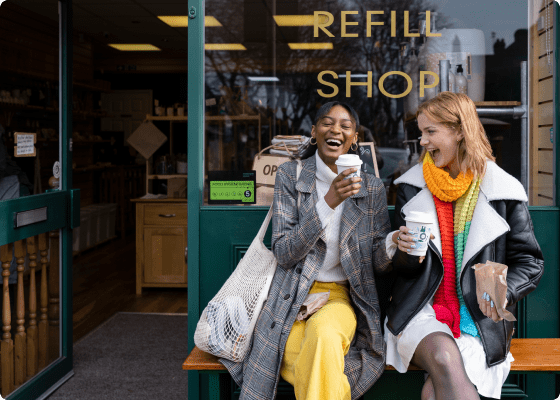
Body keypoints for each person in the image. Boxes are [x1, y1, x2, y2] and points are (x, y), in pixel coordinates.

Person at [221, 101, 392, 400]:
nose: (335, 129)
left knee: (323, 336)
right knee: (320, 358)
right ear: (314, 132)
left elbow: (376, 260)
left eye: (345, 126)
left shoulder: (372, 187)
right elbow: (285, 252)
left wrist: (392, 245)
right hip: (292, 295)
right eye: (327, 122)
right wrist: (327, 202)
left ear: (354, 139)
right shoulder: (290, 175)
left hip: (341, 296)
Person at [383, 92, 544, 399]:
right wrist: (404, 252)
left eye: (431, 131)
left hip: (480, 318)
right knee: (443, 356)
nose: (423, 141)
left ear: (459, 131)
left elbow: (530, 261)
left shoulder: (503, 191)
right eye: (421, 132)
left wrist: (504, 291)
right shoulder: (410, 187)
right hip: (421, 309)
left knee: (434, 393)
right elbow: (402, 270)